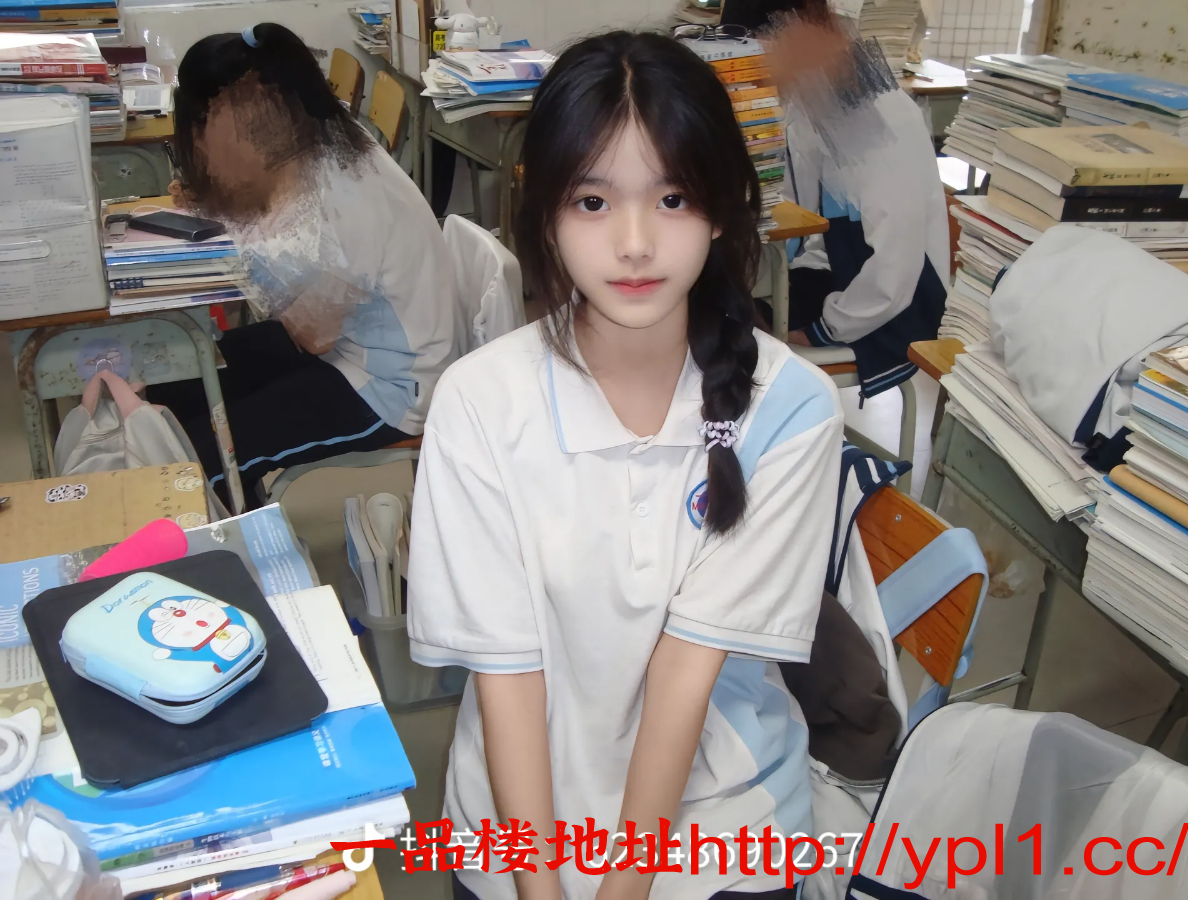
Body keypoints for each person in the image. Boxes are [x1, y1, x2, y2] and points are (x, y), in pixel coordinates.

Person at [407, 31, 844, 900]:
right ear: (543, 212)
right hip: (518, 828)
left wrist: (624, 886)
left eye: (673, 197)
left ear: (722, 207)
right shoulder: (479, 404)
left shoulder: (792, 408)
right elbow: (508, 676)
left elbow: (687, 671)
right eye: (593, 200)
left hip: (720, 824)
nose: (635, 243)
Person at [149, 23, 462, 507]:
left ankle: (230, 534)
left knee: (201, 455)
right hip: (346, 350)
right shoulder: (318, 139)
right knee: (176, 384)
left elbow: (313, 332)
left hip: (388, 387)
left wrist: (235, 230)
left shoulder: (347, 189)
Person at [767, 2, 950, 399]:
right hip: (843, 273)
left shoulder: (878, 114)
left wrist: (824, 329)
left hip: (898, 305)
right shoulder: (810, 100)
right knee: (731, 308)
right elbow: (803, 215)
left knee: (744, 337)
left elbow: (896, 269)